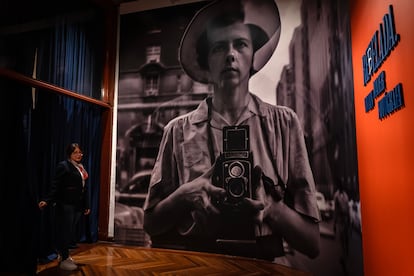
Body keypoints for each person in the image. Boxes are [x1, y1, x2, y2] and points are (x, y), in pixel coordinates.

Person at [143, 0, 320, 264]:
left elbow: (312, 242)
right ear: (206, 63)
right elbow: (151, 223)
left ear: (252, 57)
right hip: (197, 264)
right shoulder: (176, 131)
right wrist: (185, 196)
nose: (230, 54)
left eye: (240, 44)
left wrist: (272, 209)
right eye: (218, 47)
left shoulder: (284, 124)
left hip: (266, 265)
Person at [38, 143, 90, 271]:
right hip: (66, 204)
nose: (79, 155)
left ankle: (64, 255)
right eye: (75, 152)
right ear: (69, 154)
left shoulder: (80, 167)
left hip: (77, 205)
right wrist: (47, 199)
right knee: (65, 232)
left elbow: (83, 188)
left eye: (80, 152)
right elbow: (56, 185)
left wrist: (86, 205)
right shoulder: (64, 166)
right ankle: (64, 257)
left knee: (70, 231)